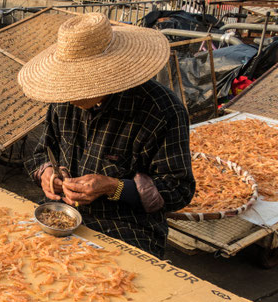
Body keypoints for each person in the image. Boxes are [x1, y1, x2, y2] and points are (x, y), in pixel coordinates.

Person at [19, 13, 195, 258]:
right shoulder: (64, 102)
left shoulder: (161, 111)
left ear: (104, 77)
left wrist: (114, 187)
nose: (69, 96)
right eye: (65, 85)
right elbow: (39, 153)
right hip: (63, 215)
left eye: (77, 86)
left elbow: (179, 190)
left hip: (127, 226)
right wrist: (48, 176)